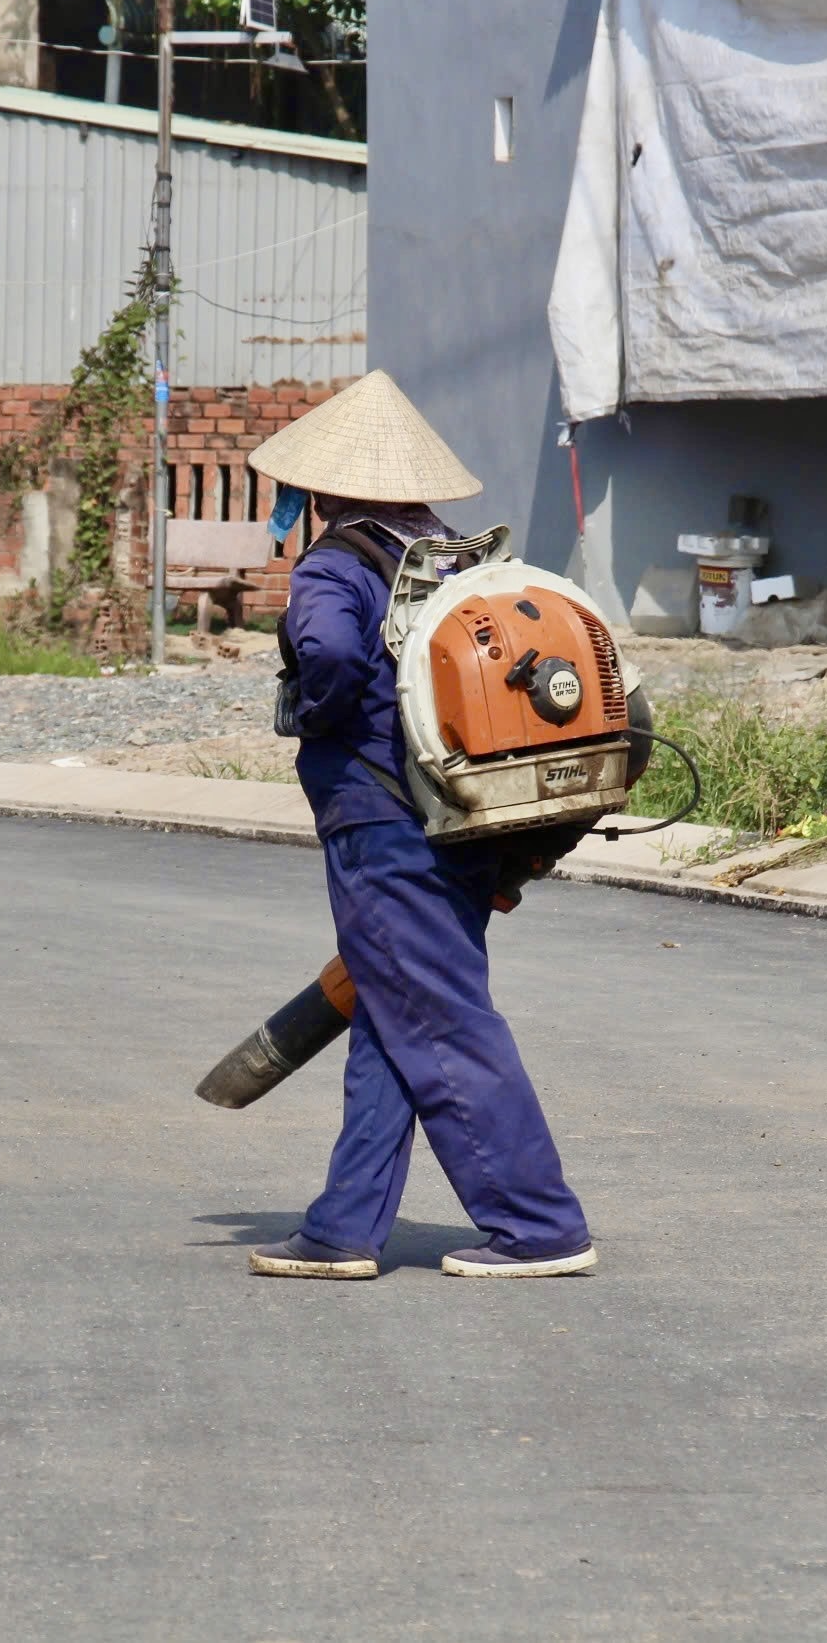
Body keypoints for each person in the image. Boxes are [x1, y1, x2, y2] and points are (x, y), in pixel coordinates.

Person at [238, 370, 595, 1282]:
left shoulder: (335, 563)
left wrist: (325, 720)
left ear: (322, 484)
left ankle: (538, 1222)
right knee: (394, 1015)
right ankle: (344, 1227)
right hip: (467, 816)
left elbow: (323, 652)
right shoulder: (453, 555)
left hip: (385, 823)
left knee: (438, 1018)